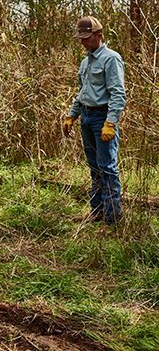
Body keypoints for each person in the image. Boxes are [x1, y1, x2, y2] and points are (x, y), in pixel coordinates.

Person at [62, 16, 126, 225]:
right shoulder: (85, 62)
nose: (83, 42)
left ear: (99, 35)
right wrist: (72, 115)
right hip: (87, 117)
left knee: (107, 167)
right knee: (94, 167)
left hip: (102, 117)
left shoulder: (111, 58)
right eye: (80, 38)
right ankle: (97, 211)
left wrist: (111, 122)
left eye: (86, 38)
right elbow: (82, 92)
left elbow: (118, 94)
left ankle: (112, 219)